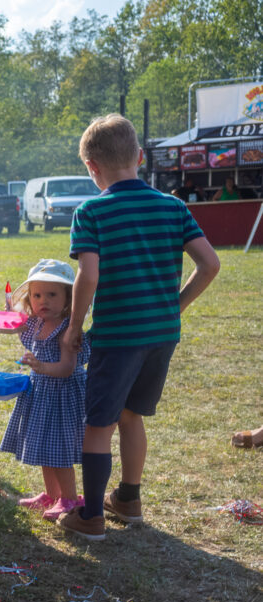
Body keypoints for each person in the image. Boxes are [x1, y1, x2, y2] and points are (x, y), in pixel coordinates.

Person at [59, 114, 220, 542]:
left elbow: (88, 276)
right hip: (161, 334)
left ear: (92, 167)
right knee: (132, 416)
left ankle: (91, 515)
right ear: (140, 157)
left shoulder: (91, 210)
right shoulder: (173, 206)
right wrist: (176, 306)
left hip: (117, 336)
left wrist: (75, 325)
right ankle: (128, 499)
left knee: (100, 424)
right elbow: (210, 264)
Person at [0, 259, 90, 521]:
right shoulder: (38, 323)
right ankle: (52, 494)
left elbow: (66, 369)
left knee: (59, 450)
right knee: (44, 447)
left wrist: (40, 366)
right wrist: (10, 312)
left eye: (52, 294)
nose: (43, 301)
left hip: (62, 396)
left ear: (68, 298)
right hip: (42, 395)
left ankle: (70, 498)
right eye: (37, 295)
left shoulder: (67, 330)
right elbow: (21, 328)